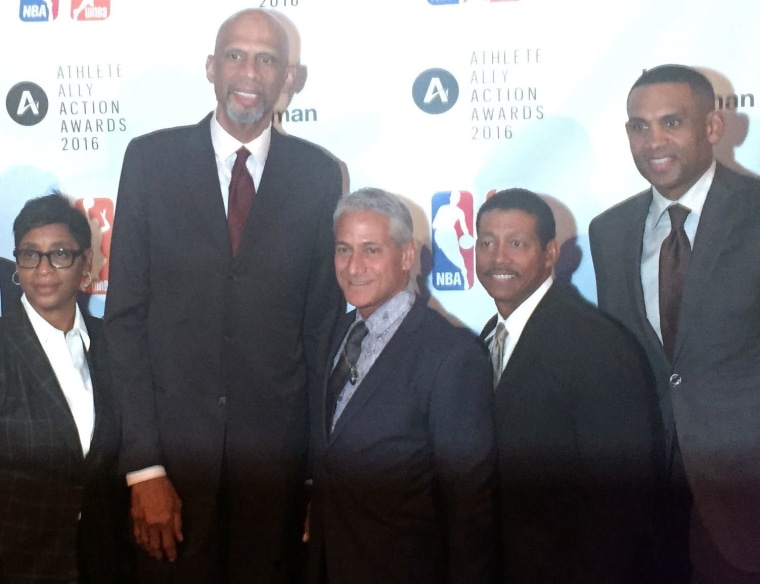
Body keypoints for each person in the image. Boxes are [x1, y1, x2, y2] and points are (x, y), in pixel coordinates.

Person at [103, 8, 344, 583]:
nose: (250, 72)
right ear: (211, 67)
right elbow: (126, 319)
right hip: (171, 477)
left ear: (290, 78)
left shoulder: (319, 175)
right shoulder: (149, 162)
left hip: (276, 480)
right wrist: (144, 468)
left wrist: (316, 475)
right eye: (236, 55)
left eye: (268, 59)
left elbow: (320, 333)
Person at [589, 64, 760, 583]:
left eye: (671, 122)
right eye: (639, 127)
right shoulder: (609, 231)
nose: (653, 141)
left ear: (712, 127)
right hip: (647, 501)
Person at [308, 188, 499, 583]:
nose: (353, 266)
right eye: (344, 249)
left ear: (407, 256)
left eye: (371, 250)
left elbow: (469, 509)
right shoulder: (336, 333)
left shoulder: (451, 355)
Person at [477, 189, 662, 583]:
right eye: (487, 243)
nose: (499, 258)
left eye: (516, 244)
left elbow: (620, 505)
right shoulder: (489, 337)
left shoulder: (597, 345)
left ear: (549, 255)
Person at [0, 192, 133, 583]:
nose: (43, 269)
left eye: (59, 253)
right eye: (29, 254)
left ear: (86, 263)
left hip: (103, 562)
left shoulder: (111, 344)